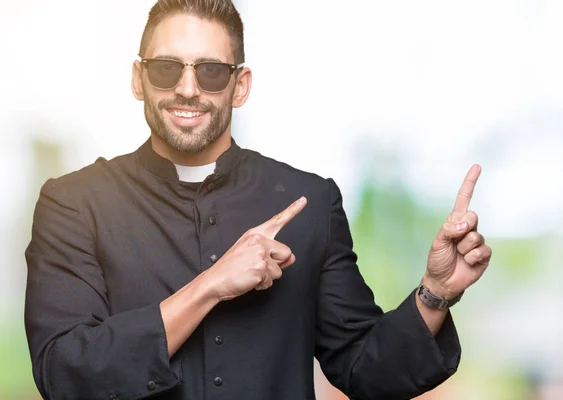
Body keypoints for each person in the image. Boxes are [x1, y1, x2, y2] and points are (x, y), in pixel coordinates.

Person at [24, 1, 492, 399]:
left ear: (240, 85)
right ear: (137, 78)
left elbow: (365, 369)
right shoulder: (73, 204)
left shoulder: (310, 202)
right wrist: (211, 284)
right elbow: (64, 371)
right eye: (167, 68)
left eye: (210, 71)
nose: (187, 88)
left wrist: (435, 293)